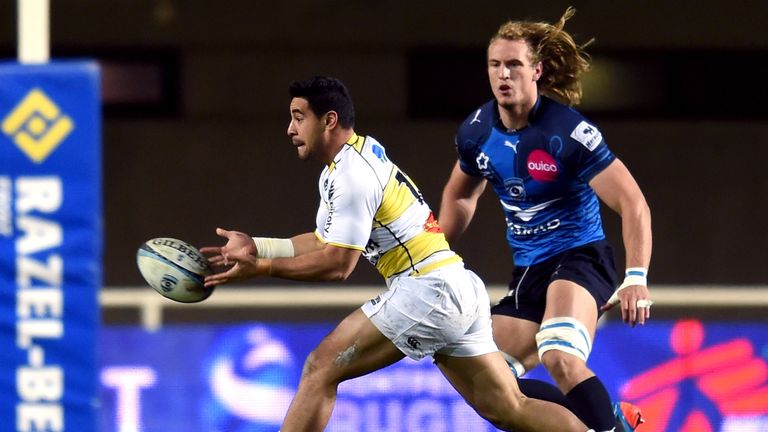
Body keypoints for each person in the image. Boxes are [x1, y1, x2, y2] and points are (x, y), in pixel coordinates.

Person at [201, 76, 592, 432]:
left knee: (320, 368)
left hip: (426, 289)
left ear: (329, 120)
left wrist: (262, 268)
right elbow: (324, 240)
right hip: (454, 285)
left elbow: (337, 265)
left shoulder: (352, 175)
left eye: (298, 117)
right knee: (509, 407)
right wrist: (259, 246)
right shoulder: (352, 160)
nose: (290, 129)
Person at [438, 8, 651, 432]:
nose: (504, 74)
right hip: (529, 270)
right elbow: (460, 194)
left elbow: (633, 203)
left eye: (514, 65)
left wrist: (637, 276)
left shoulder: (568, 133)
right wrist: (431, 255)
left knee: (559, 355)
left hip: (580, 259)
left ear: (536, 71)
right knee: (480, 379)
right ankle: (607, 414)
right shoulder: (476, 132)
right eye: (495, 65)